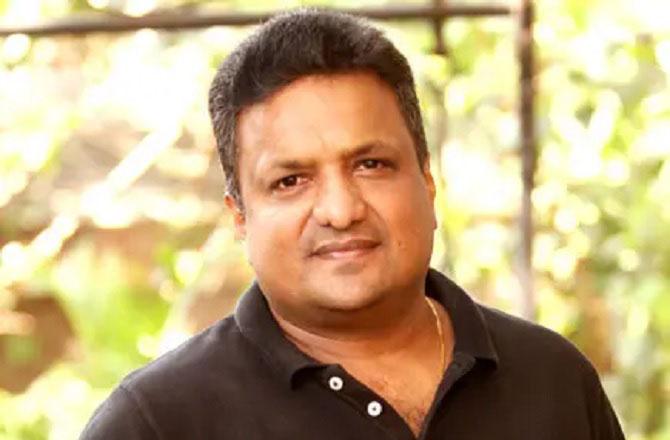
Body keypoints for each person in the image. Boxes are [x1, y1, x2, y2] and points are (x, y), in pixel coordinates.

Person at [80, 8, 625, 440]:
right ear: (240, 216)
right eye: (291, 180)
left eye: (371, 165)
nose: (341, 211)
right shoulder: (157, 424)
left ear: (428, 183)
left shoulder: (551, 380)